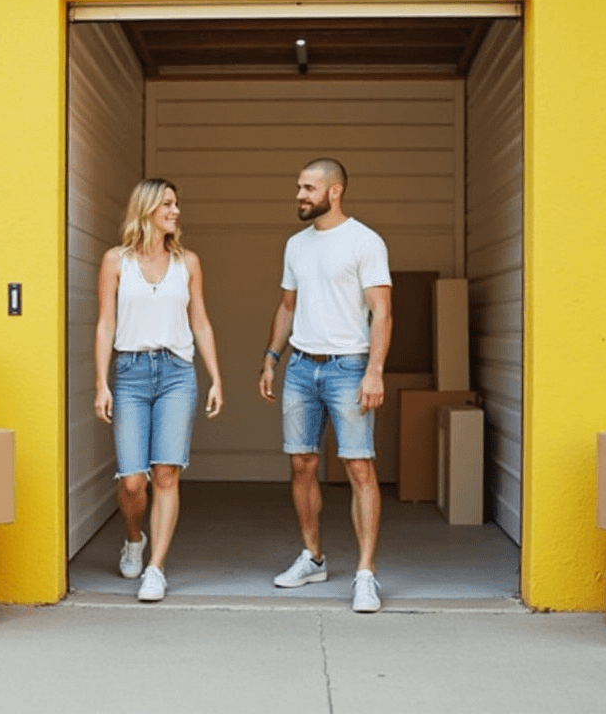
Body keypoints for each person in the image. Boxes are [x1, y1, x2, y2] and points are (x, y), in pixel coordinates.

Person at [257, 158, 392, 612]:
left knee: (359, 468)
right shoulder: (296, 245)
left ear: (334, 192)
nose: (300, 195)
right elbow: (287, 306)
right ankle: (312, 557)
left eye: (308, 188)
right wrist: (272, 358)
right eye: (299, 186)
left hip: (348, 368)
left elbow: (382, 312)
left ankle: (366, 574)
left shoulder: (365, 242)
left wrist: (374, 370)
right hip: (300, 367)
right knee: (301, 464)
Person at [95, 178, 224, 602]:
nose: (176, 211)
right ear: (147, 208)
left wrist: (215, 377)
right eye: (167, 204)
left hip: (176, 373)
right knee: (134, 481)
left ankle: (156, 568)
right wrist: (101, 382)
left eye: (176, 203)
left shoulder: (188, 262)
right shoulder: (116, 261)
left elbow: (200, 322)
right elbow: (106, 324)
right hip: (130, 372)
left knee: (167, 473)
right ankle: (135, 538)